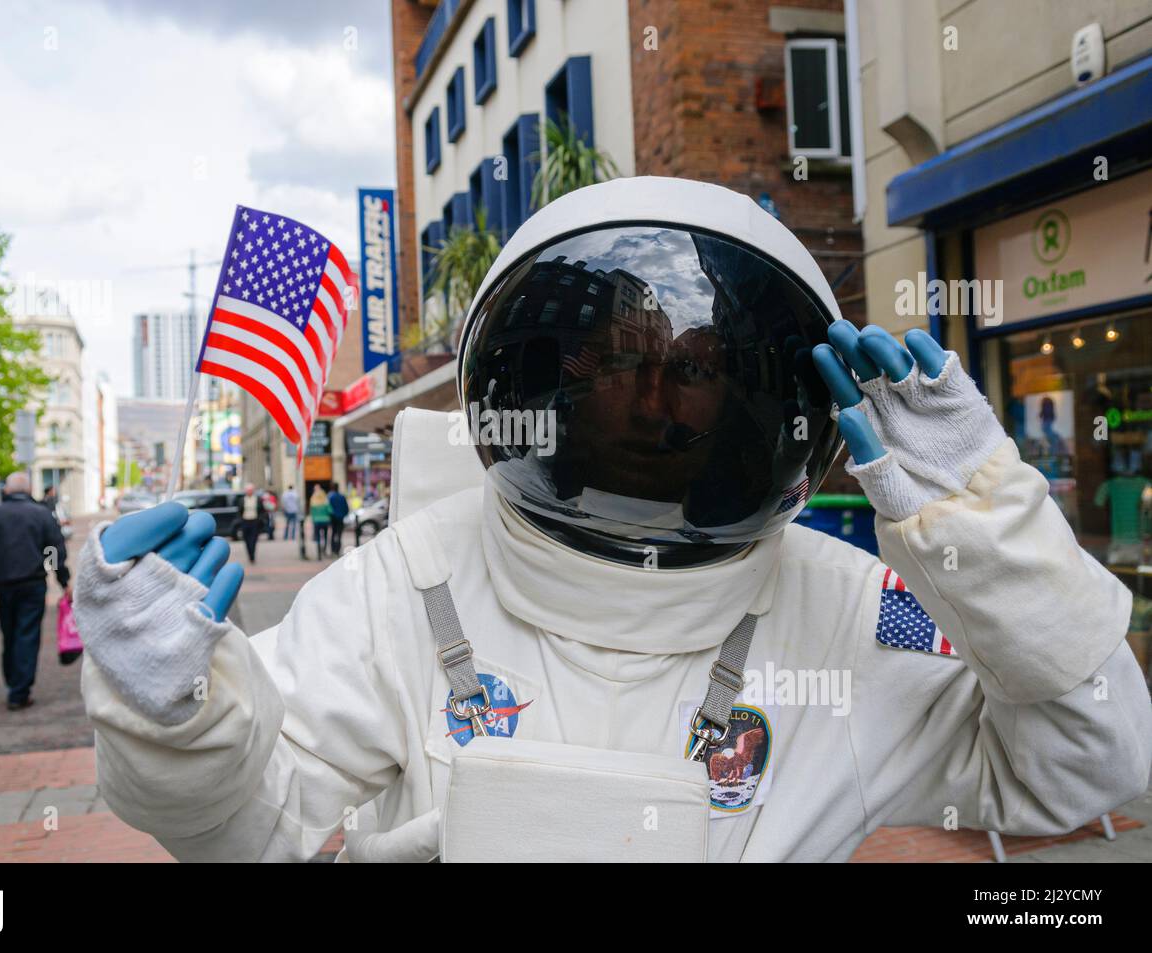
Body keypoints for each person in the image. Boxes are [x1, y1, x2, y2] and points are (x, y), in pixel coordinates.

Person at [74, 178, 1151, 862]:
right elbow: (253, 830)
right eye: (625, 365)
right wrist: (178, 727)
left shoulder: (867, 608)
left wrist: (991, 542)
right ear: (545, 381)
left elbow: (1090, 769)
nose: (653, 402)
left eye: (693, 370)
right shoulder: (403, 586)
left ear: (752, 397)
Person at [0, 471, 71, 711]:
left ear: (7, 490)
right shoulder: (41, 515)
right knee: (27, 634)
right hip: (33, 583)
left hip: (4, 584)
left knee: (9, 634)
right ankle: (19, 689)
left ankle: (14, 682)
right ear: (28, 491)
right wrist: (63, 579)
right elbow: (55, 551)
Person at [238, 484, 267, 564]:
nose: (249, 492)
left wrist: (260, 519)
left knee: (254, 539)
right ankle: (250, 554)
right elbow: (239, 511)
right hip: (245, 521)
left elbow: (262, 511)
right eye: (248, 490)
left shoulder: (258, 499)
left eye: (251, 490)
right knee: (247, 540)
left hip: (254, 521)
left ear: (253, 491)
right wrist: (241, 520)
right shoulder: (242, 500)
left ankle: (252, 555)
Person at [308, 484, 331, 559]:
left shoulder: (313, 500)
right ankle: (324, 549)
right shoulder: (325, 501)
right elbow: (330, 511)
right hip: (325, 520)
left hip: (316, 521)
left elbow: (311, 512)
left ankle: (318, 552)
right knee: (325, 535)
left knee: (317, 536)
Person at [327, 483, 349, 557]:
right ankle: (337, 550)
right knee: (339, 534)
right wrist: (343, 514)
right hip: (340, 518)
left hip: (333, 518)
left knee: (333, 534)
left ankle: (333, 550)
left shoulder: (330, 497)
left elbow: (328, 508)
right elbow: (346, 508)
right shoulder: (342, 497)